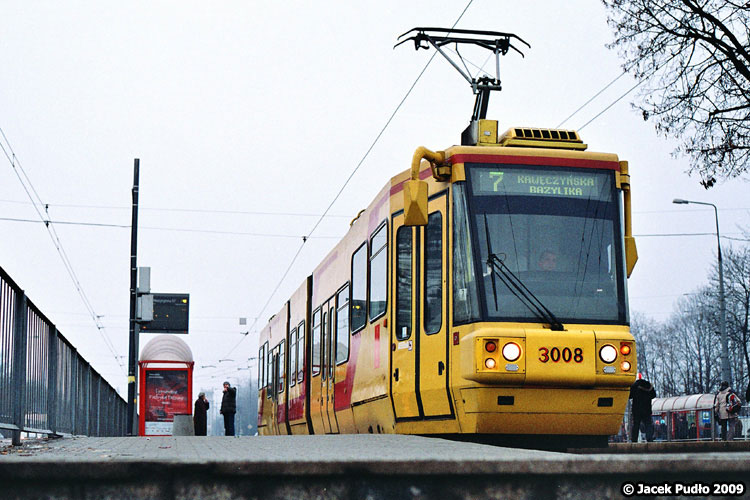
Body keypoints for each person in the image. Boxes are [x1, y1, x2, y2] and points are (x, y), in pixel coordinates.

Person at [629, 376, 656, 442]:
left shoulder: (635, 386)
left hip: (637, 410)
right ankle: (649, 439)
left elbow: (629, 396)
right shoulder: (649, 386)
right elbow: (653, 395)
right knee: (648, 424)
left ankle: (634, 440)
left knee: (636, 425)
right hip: (647, 409)